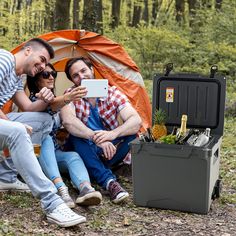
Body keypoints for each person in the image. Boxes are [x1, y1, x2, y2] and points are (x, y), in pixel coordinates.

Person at [0, 38, 86, 227]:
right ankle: (52, 203)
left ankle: (5, 177)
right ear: (28, 51)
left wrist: (47, 97)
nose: (43, 67)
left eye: (46, 63)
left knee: (44, 120)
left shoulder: (17, 77)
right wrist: (13, 127)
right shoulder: (4, 59)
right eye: (41, 60)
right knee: (18, 132)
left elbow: (29, 108)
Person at [60, 57, 142, 204]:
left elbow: (135, 120)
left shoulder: (112, 93)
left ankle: (95, 170)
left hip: (106, 150)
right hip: (84, 146)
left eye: (83, 70)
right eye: (75, 75)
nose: (81, 77)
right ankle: (109, 182)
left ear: (92, 70)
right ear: (72, 81)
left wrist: (112, 134)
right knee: (76, 136)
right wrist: (96, 138)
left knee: (132, 135)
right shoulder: (71, 93)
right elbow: (68, 121)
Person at [26, 63, 102, 207]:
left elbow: (56, 110)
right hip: (34, 153)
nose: (51, 77)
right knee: (45, 138)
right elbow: (48, 107)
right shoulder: (33, 101)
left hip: (53, 153)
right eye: (45, 75)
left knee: (73, 156)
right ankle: (61, 189)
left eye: (53, 74)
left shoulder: (55, 99)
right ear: (36, 80)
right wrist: (67, 98)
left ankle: (86, 189)